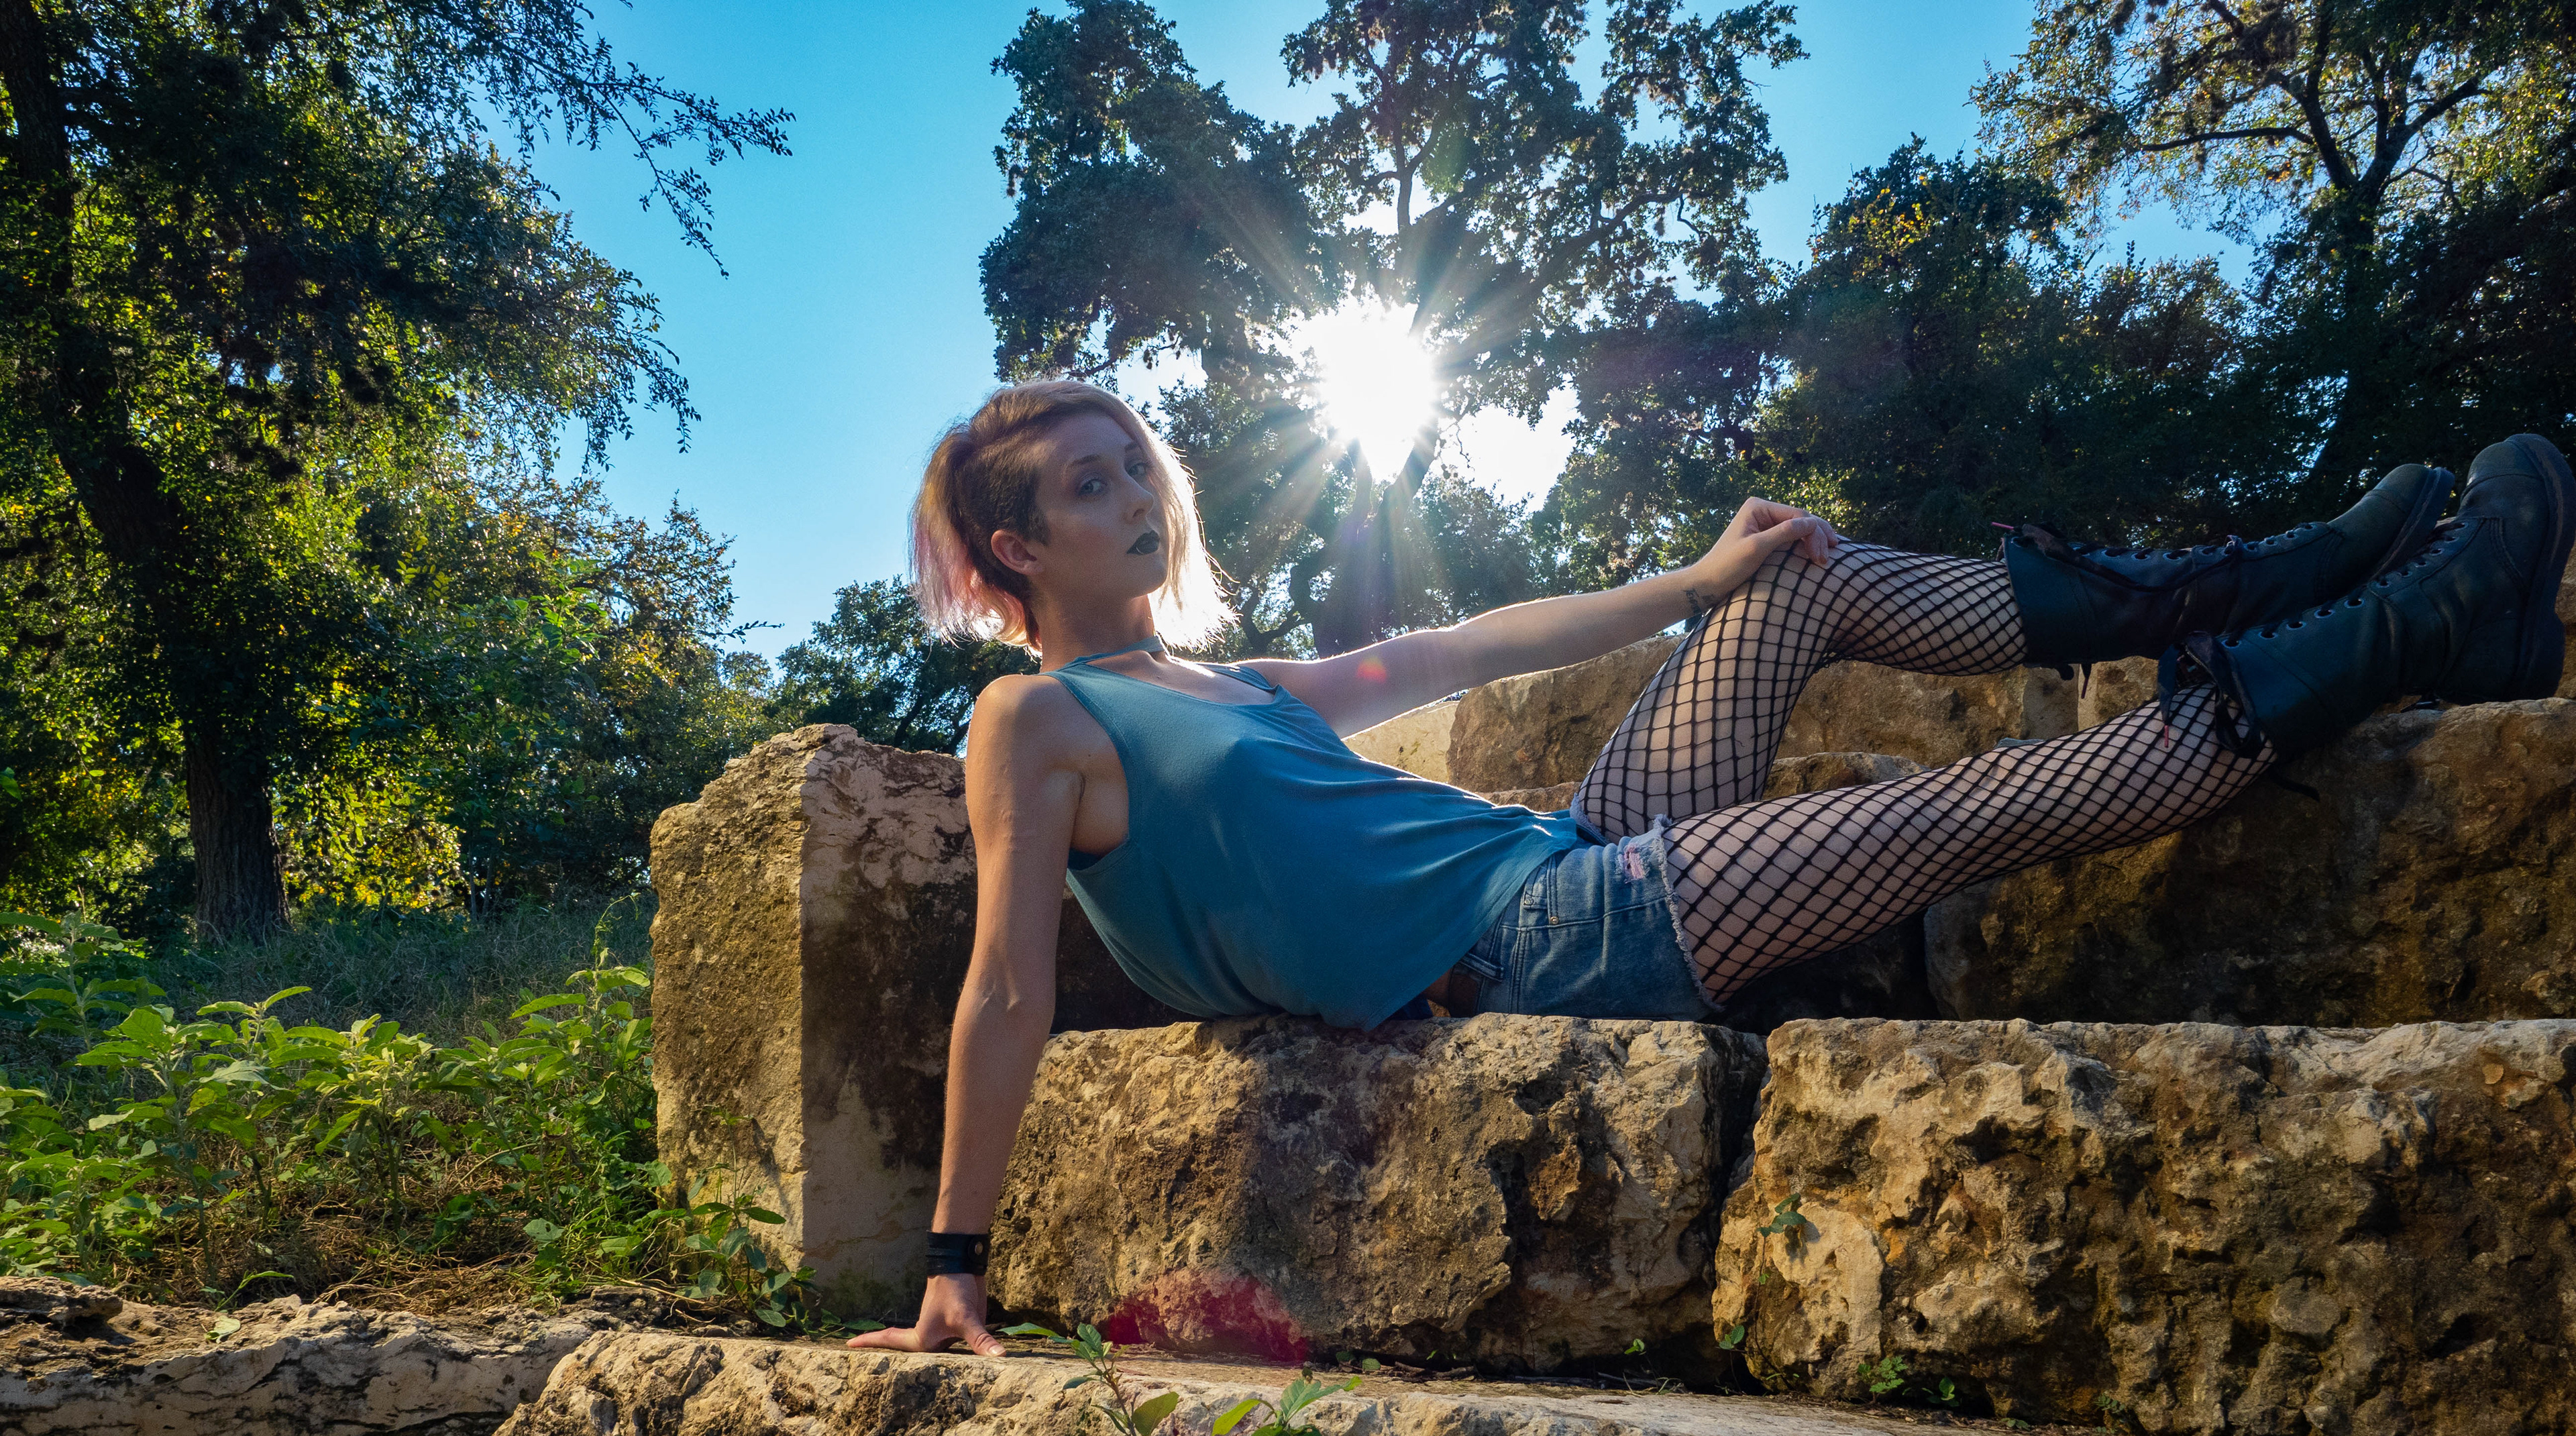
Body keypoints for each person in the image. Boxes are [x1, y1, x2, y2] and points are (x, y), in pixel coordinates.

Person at [850, 379, 2574, 1357]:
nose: (1137, 496)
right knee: (1954, 812)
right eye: (1089, 486)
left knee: (1792, 573)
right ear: (1017, 545)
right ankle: (2415, 627)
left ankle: (2268, 579)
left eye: (1135, 466)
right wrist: (951, 1257)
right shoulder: (1036, 719)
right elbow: (1004, 989)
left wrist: (1690, 584)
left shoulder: (1227, 682)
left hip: (1571, 856)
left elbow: (1453, 650)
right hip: (1530, 954)